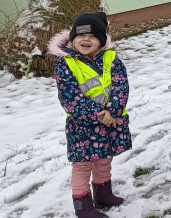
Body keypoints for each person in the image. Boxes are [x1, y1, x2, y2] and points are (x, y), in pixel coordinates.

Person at [48, 12, 131, 218]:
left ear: (101, 41)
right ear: (72, 39)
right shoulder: (66, 64)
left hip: (111, 120)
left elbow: (121, 86)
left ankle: (103, 195)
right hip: (83, 126)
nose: (86, 40)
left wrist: (113, 110)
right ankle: (82, 207)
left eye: (93, 36)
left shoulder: (111, 59)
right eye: (81, 36)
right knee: (83, 165)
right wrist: (101, 115)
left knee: (104, 159)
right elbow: (70, 98)